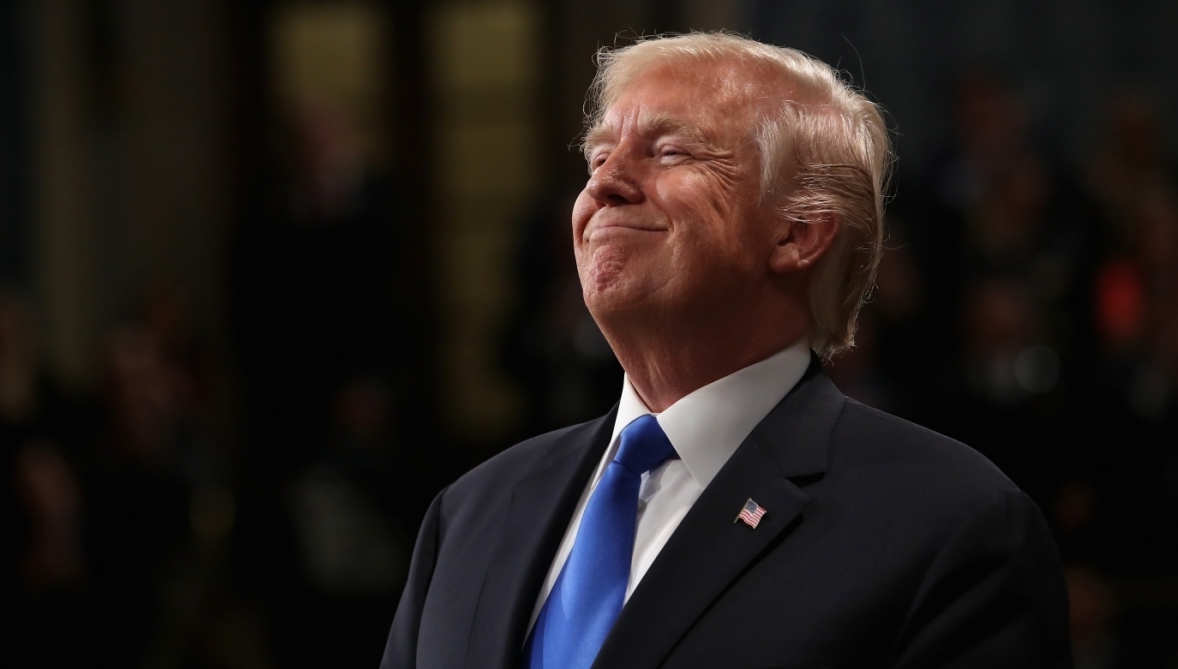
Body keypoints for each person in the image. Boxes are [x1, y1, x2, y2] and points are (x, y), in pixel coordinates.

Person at [382, 33, 1070, 669]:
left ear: (798, 232)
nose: (603, 184)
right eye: (598, 156)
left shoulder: (950, 528)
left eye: (670, 151)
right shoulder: (471, 512)